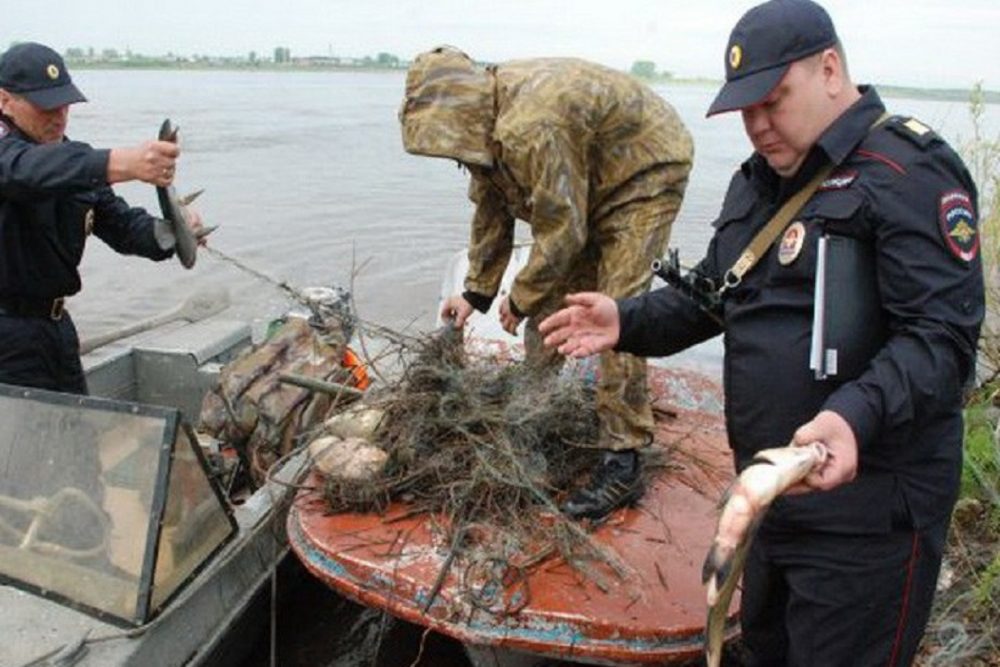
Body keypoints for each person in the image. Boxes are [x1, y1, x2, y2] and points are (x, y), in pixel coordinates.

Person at [539, 0, 984, 664]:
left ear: (830, 69)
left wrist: (853, 417)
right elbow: (711, 303)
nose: (757, 125)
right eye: (745, 109)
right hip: (768, 503)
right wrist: (625, 318)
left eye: (773, 100)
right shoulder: (755, 187)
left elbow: (941, 340)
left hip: (870, 518)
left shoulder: (908, 173)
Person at [399, 46, 694, 520]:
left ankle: (623, 458)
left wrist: (519, 296)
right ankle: (534, 407)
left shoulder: (533, 125)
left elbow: (563, 230)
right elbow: (491, 211)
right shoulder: (481, 132)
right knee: (555, 312)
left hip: (643, 172)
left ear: (461, 109)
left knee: (615, 313)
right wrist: (476, 292)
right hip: (586, 179)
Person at [0, 42, 203, 395]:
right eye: (45, 105)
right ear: (4, 101)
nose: (59, 115)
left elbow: (124, 228)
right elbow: (26, 171)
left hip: (56, 328)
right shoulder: (23, 160)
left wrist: (174, 231)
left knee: (79, 436)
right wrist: (125, 163)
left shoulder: (72, 164)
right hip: (6, 335)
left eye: (64, 103)